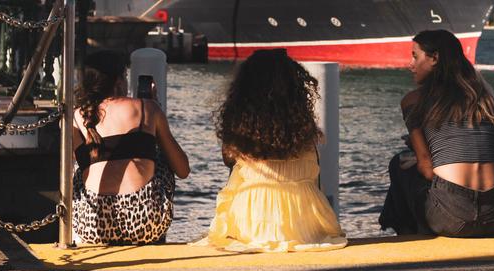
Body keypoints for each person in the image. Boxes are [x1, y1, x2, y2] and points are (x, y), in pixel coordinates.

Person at [192, 49, 347, 252]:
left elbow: (228, 159)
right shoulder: (303, 126)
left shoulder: (241, 125)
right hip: (303, 221)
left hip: (253, 219)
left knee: (238, 171)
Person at [379, 30, 494, 237]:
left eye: (415, 56)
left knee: (399, 165)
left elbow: (426, 167)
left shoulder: (413, 101)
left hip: (453, 218)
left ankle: (408, 237)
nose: (410, 65)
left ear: (435, 58)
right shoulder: (484, 98)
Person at [72, 50, 190, 245]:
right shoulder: (147, 107)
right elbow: (183, 170)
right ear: (119, 81)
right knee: (161, 159)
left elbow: (84, 166)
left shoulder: (77, 116)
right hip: (145, 225)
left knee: (80, 170)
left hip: (92, 226)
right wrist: (156, 110)